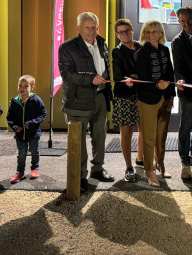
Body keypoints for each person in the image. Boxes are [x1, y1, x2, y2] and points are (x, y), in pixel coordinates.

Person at [59, 11, 114, 192]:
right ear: (79, 28)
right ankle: (80, 177)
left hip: (100, 97)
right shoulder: (67, 47)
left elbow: (105, 69)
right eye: (87, 27)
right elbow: (67, 75)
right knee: (78, 141)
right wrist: (90, 78)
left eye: (94, 27)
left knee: (100, 136)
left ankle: (97, 169)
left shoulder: (102, 43)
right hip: (78, 101)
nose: (91, 31)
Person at [135, 20, 176, 187]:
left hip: (165, 98)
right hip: (147, 99)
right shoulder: (141, 52)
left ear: (160, 34)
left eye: (155, 32)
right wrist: (157, 85)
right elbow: (142, 78)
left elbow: (170, 74)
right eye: (148, 32)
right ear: (144, 34)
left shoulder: (166, 50)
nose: (151, 35)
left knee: (161, 136)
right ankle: (149, 170)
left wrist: (171, 97)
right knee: (149, 136)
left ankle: (161, 164)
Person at [172, 6, 192, 180]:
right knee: (185, 127)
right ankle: (185, 162)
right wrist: (180, 79)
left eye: (189, 20)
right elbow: (177, 67)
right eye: (182, 21)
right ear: (179, 22)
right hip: (187, 91)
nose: (186, 24)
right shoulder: (177, 41)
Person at [111, 18, 143, 182]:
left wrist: (136, 76)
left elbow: (146, 71)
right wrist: (131, 77)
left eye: (127, 31)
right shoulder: (117, 52)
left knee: (144, 129)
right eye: (121, 32)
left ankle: (140, 159)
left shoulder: (142, 48)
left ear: (132, 30)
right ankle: (129, 166)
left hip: (143, 95)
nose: (125, 34)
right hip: (125, 95)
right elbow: (117, 75)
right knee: (127, 131)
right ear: (117, 35)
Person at [7, 75, 47, 183]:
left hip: (33, 133)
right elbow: (9, 118)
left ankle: (35, 168)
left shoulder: (36, 100)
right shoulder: (15, 102)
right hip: (20, 134)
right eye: (20, 85)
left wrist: (32, 123)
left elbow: (43, 114)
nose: (22, 88)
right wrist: (15, 127)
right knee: (21, 152)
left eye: (26, 86)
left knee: (34, 151)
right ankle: (19, 172)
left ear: (32, 88)